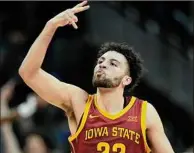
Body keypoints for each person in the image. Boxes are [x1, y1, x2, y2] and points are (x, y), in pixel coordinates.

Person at [18, 1, 175, 153]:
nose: (102, 64)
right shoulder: (79, 101)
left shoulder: (144, 112)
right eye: (100, 61)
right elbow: (28, 73)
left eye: (113, 63)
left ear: (126, 80)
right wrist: (50, 26)